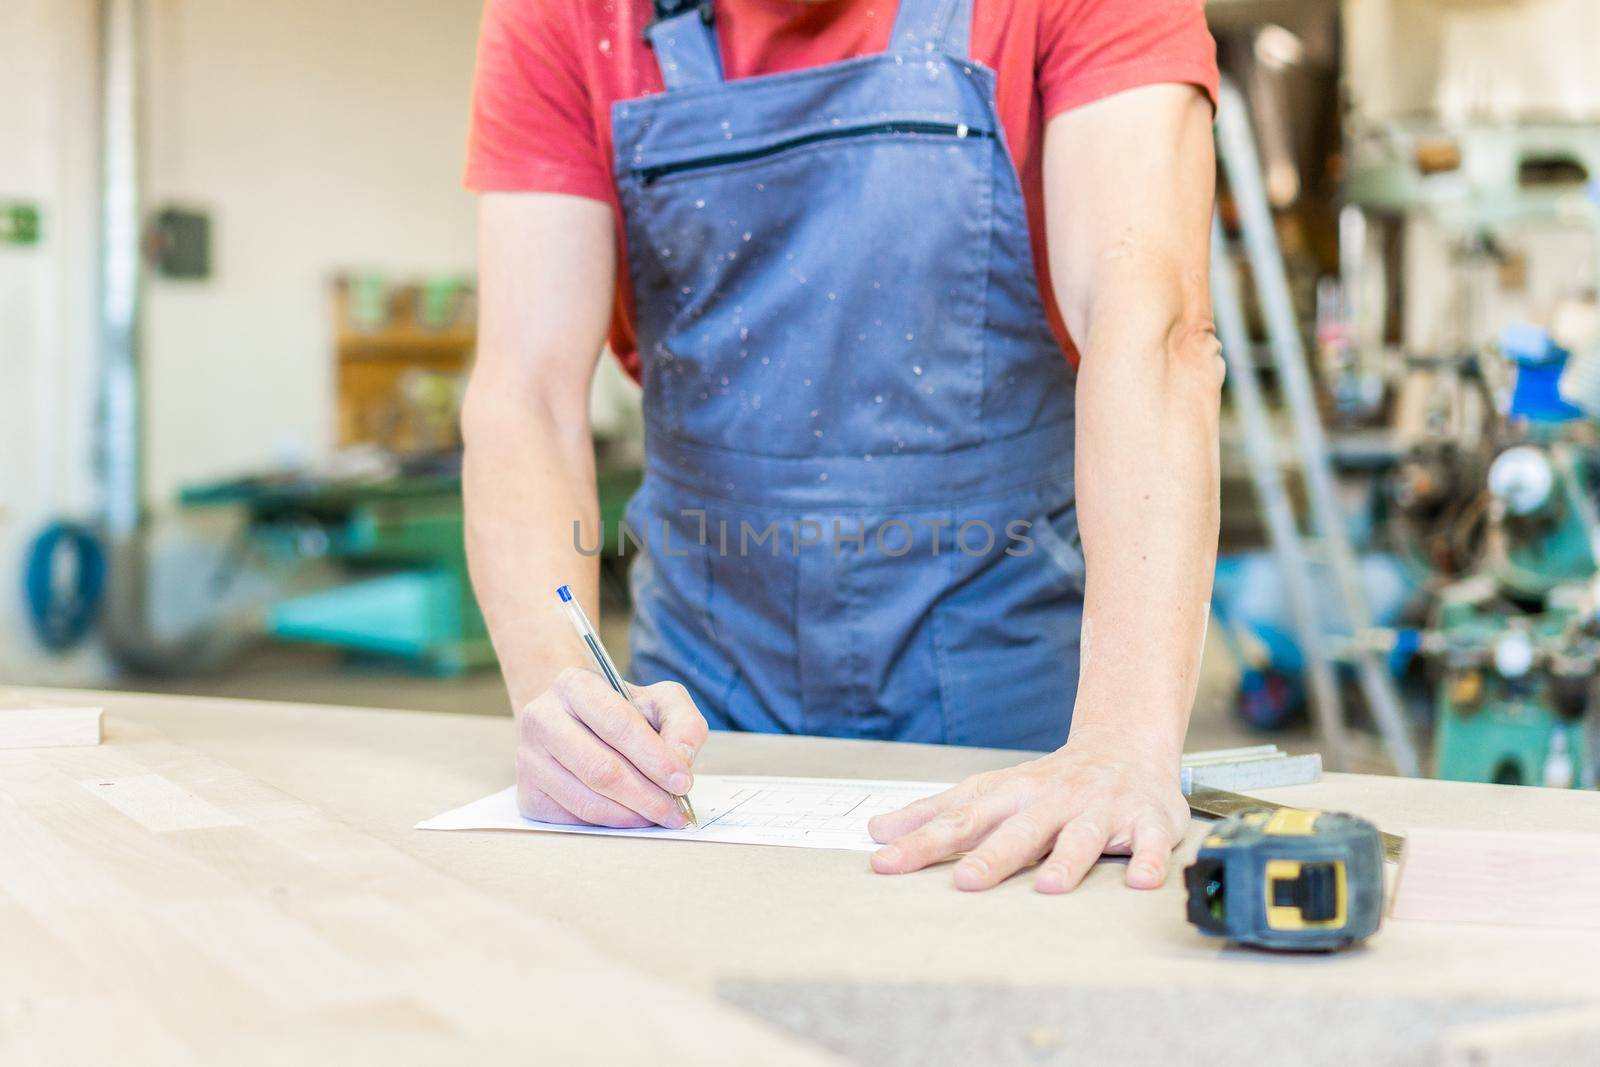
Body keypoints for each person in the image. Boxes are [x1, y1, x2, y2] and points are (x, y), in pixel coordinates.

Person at [461, 0, 1223, 894]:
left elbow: (1150, 324)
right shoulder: (567, 15)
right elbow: (527, 394)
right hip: (704, 700)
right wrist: (566, 696)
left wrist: (1122, 738)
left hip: (1005, 674)